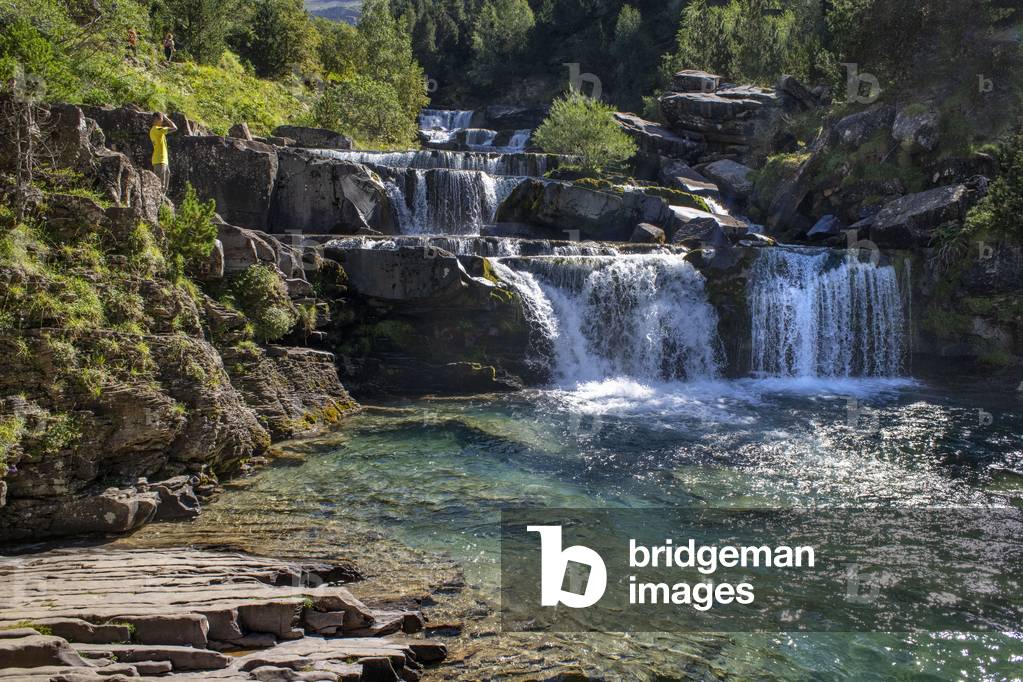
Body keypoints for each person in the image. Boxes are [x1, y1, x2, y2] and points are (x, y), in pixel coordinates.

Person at [150, 112, 178, 195]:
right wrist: (167, 118)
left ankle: (162, 203)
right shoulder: (156, 129)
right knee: (160, 186)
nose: (162, 121)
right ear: (157, 119)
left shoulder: (157, 130)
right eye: (162, 119)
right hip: (160, 161)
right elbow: (175, 128)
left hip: (163, 160)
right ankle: (158, 203)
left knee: (164, 186)